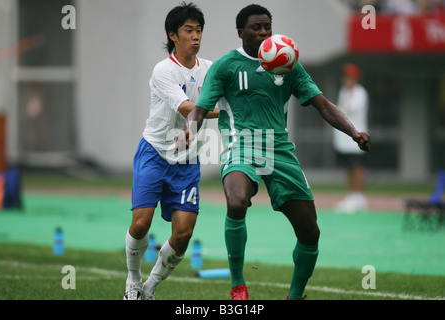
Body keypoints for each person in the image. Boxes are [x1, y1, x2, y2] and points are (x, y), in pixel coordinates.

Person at [181, 4, 370, 300]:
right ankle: (238, 285)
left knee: (310, 232)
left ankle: (294, 296)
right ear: (241, 32)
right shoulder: (226, 66)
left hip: (279, 149)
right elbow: (201, 109)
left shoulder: (287, 62)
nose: (263, 32)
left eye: (267, 26)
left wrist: (354, 132)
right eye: (256, 28)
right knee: (236, 202)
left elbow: (322, 104)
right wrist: (189, 131)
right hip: (239, 145)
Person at [124, 2, 218, 300]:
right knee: (141, 224)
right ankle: (133, 280)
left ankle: (148, 289)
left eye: (199, 30)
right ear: (173, 35)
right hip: (154, 152)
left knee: (183, 234)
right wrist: (221, 113)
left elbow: (221, 102)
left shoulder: (210, 69)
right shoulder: (163, 70)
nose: (196, 36)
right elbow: (188, 107)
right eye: (189, 30)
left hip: (187, 161)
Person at [333, 63, 369, 214]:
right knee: (348, 167)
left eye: (349, 77)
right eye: (345, 77)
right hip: (344, 140)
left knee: (357, 167)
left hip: (357, 140)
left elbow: (349, 109)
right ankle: (351, 195)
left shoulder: (360, 93)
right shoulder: (343, 91)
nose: (346, 80)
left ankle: (359, 196)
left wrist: (348, 93)